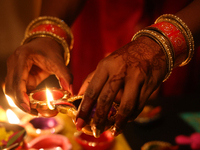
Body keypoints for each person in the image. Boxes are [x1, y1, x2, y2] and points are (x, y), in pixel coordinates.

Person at [4, 0, 200, 137]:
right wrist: (48, 34)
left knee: (173, 116)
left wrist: (162, 45)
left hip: (187, 15)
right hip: (99, 19)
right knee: (96, 98)